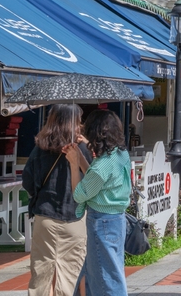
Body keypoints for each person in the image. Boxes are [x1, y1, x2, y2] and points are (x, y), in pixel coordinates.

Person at [23, 104, 93, 296]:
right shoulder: (81, 149)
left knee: (41, 275)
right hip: (75, 217)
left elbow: (27, 181)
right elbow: (93, 179)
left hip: (44, 216)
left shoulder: (40, 148)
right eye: (78, 121)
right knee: (69, 276)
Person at [64, 109, 131, 296]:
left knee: (105, 278)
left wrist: (73, 163)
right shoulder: (120, 154)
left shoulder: (103, 165)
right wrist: (83, 154)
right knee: (104, 272)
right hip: (116, 220)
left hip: (101, 222)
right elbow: (95, 177)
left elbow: (80, 194)